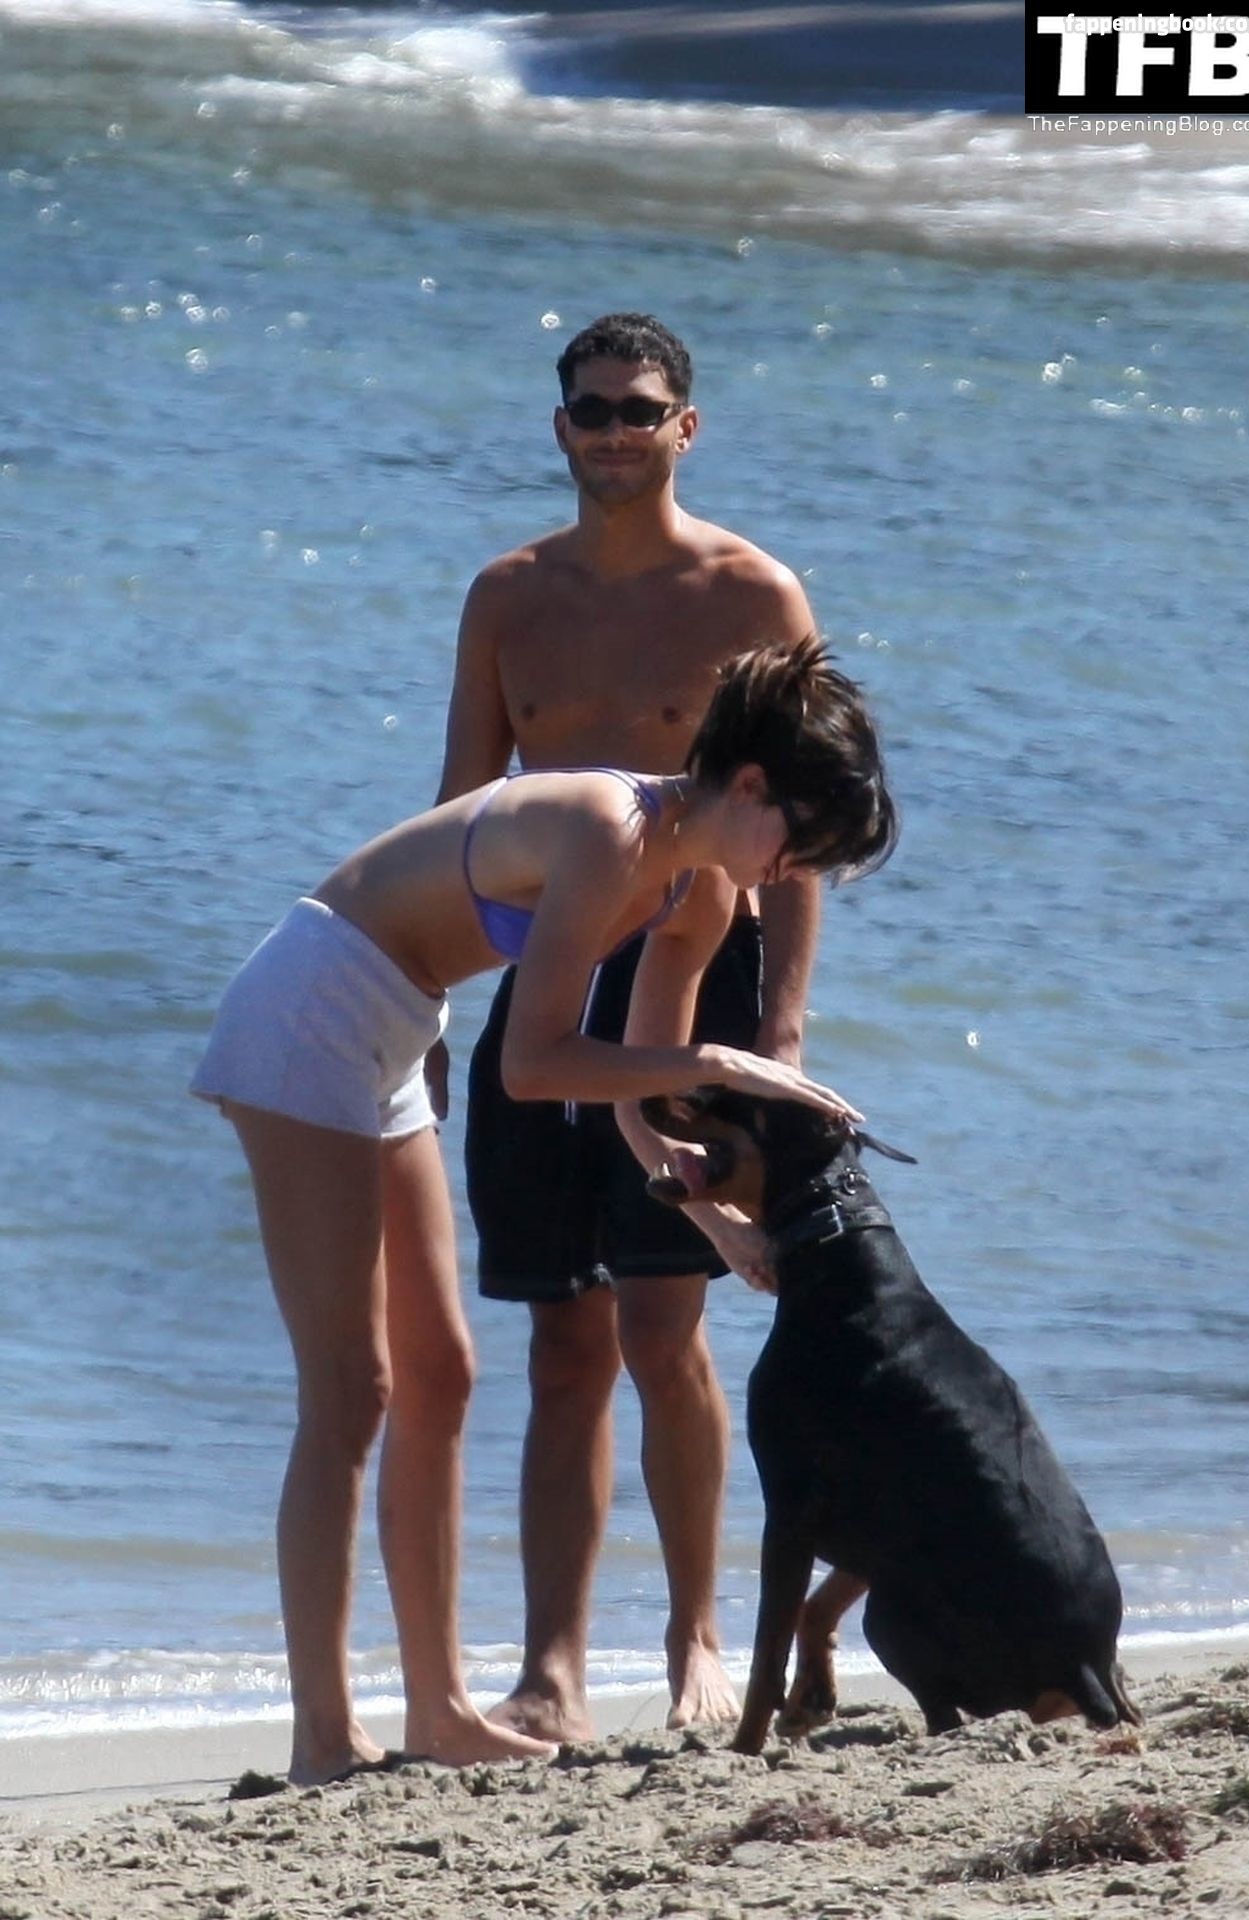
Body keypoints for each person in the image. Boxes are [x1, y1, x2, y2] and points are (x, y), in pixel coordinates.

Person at [191, 639, 897, 1787]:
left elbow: (628, 1083)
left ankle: (437, 1711)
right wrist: (723, 1059)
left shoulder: (702, 891)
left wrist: (712, 1217)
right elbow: (533, 1064)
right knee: (351, 1387)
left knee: (442, 1374)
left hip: (395, 1026)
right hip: (312, 1008)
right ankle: (323, 1733)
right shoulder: (607, 827)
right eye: (798, 840)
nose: (791, 872)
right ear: (749, 785)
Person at [435, 312, 828, 1742]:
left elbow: (799, 831)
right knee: (561, 1342)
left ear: (685, 427)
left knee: (665, 1325)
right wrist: (432, 1002)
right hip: (544, 973)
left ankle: (697, 1634)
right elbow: (460, 816)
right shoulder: (507, 595)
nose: (614, 430)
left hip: (698, 971)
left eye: (639, 409)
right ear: (561, 428)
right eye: (591, 409)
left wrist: (781, 1031)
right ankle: (551, 1667)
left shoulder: (751, 593)